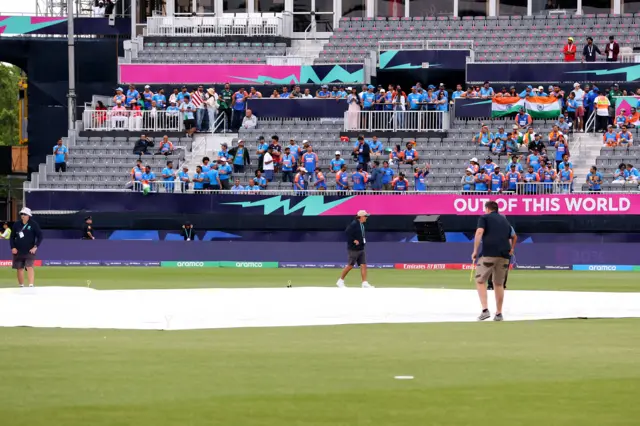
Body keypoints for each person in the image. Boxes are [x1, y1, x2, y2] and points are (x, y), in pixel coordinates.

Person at [471, 201, 514, 321]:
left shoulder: (484, 218)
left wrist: (475, 250)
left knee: (480, 280)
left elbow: (479, 232)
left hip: (489, 253)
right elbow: (511, 236)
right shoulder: (505, 220)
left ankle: (485, 310)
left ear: (487, 209)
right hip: (504, 255)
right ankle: (499, 313)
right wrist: (510, 250)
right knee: (499, 284)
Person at [336, 210, 373, 288]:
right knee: (350, 265)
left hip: (361, 248)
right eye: (366, 216)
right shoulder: (354, 224)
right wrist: (354, 240)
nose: (367, 218)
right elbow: (347, 232)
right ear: (361, 217)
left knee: (363, 265)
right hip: (353, 249)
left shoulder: (361, 224)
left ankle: (364, 283)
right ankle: (340, 281)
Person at [10, 207, 43, 288]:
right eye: (21, 214)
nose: (23, 216)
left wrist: (35, 247)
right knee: (19, 268)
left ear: (28, 215)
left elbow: (40, 236)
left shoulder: (33, 224)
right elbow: (12, 237)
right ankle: (21, 285)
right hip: (18, 251)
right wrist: (13, 247)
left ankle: (31, 285)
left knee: (29, 266)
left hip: (29, 250)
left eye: (24, 214)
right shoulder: (16, 224)